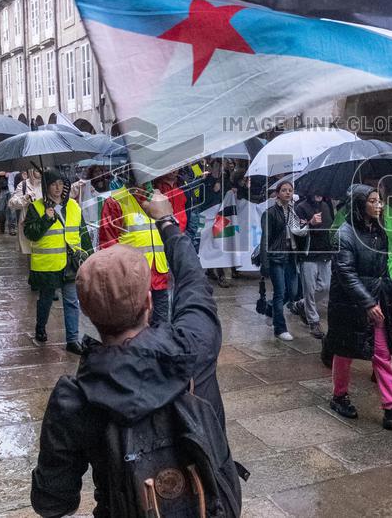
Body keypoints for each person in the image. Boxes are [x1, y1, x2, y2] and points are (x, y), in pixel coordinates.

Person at [31, 192, 242, 517]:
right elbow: (194, 282)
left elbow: (52, 502)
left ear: (87, 313)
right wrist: (167, 222)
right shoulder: (194, 345)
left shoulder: (73, 399)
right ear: (148, 302)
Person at [326, 185, 392, 430]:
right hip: (350, 305)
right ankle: (339, 396)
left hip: (376, 301)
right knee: (344, 351)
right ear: (360, 205)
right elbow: (345, 273)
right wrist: (367, 302)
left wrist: (385, 294)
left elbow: (381, 267)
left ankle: (391, 407)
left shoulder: (378, 231)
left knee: (382, 351)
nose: (379, 206)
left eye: (379, 201)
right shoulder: (344, 234)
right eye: (373, 201)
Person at [25, 170, 89, 355]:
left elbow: (82, 233)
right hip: (48, 264)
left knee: (71, 301)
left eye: (61, 183)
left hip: (71, 263)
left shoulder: (74, 207)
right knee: (46, 299)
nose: (58, 188)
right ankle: (40, 327)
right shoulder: (36, 207)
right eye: (53, 184)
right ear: (46, 187)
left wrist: (90, 257)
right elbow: (30, 233)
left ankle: (72, 340)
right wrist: (46, 218)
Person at [99, 182, 172, 327]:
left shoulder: (158, 197)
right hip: (133, 278)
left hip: (159, 273)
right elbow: (108, 242)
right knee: (135, 329)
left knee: (162, 326)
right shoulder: (115, 201)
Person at [259, 181, 310, 341]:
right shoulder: (270, 213)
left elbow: (297, 233)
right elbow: (265, 238)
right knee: (280, 292)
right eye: (284, 190)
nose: (288, 193)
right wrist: (265, 262)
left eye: (290, 190)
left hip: (291, 255)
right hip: (276, 256)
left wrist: (305, 226)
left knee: (293, 291)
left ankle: (269, 309)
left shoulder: (293, 213)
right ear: (278, 193)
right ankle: (280, 328)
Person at [295, 190, 334, 339]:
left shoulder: (325, 205)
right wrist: (310, 223)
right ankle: (313, 321)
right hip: (308, 254)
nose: (318, 193)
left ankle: (301, 305)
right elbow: (296, 231)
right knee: (309, 289)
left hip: (325, 252)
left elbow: (331, 226)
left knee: (326, 286)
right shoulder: (301, 208)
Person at [9, 169, 43, 256]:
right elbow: (12, 203)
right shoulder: (24, 185)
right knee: (30, 253)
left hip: (44, 221)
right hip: (28, 223)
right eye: (36, 169)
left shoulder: (48, 184)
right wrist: (25, 198)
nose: (40, 171)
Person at [0, 171, 16, 235]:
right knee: (1, 209)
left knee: (12, 209)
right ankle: (2, 225)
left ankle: (12, 228)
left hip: (12, 189)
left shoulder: (14, 163)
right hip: (1, 189)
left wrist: (11, 174)